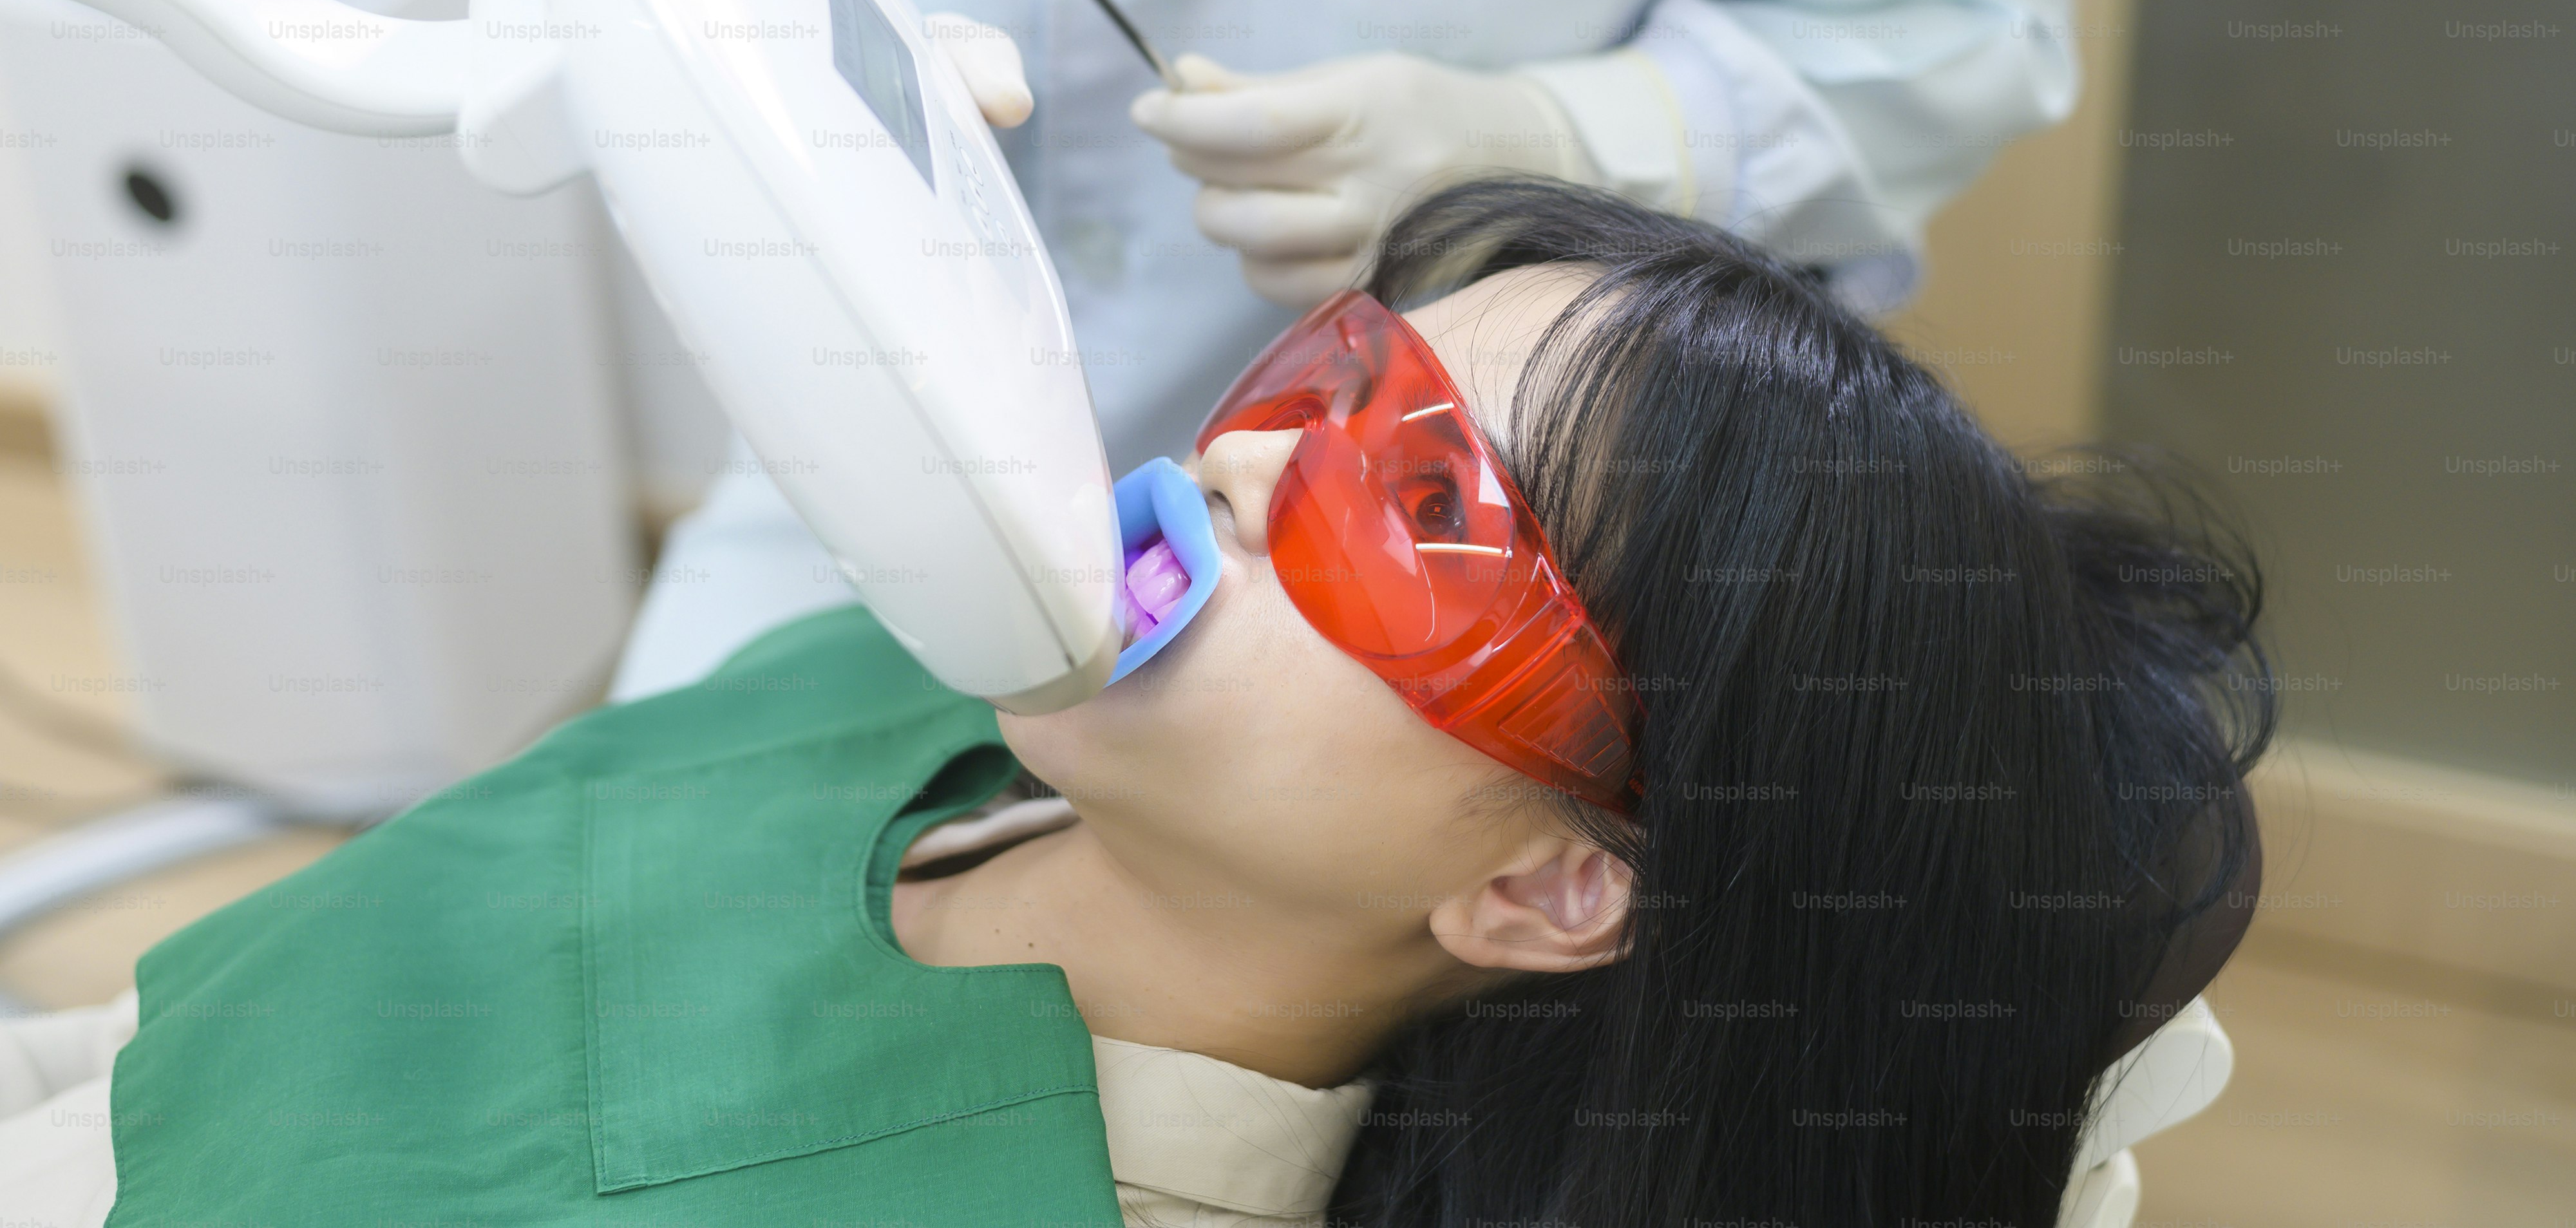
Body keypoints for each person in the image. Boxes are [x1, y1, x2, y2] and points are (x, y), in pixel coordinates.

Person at [0, 180, 2268, 1227]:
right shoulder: (897, 692)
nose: (1252, 457)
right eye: (1328, 378)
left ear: (1564, 879)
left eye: (1423, 514)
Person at [563, 0, 2119, 469]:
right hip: (875, 460)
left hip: (1502, 505)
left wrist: (1565, 138)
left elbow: (1959, 18)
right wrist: (765, 79)